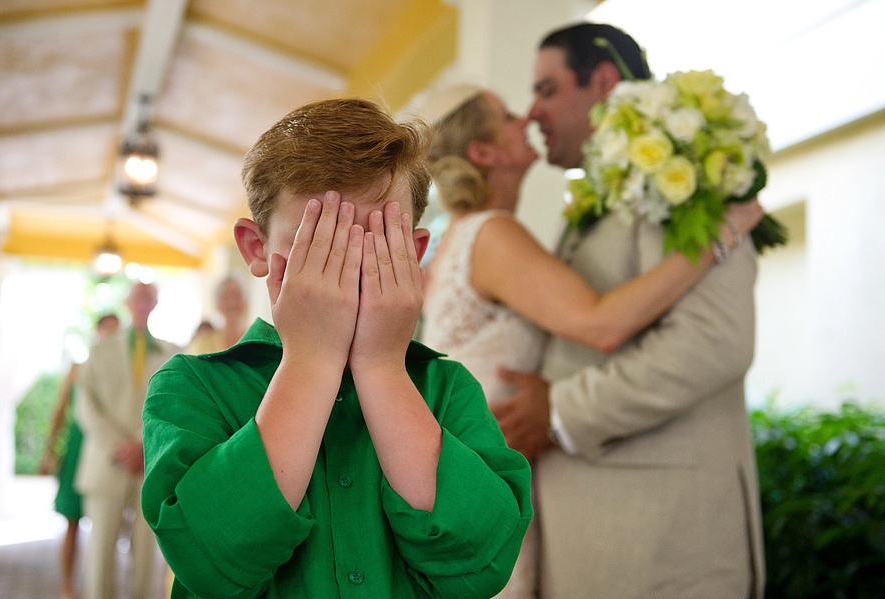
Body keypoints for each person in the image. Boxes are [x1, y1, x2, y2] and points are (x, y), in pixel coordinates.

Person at [141, 98, 533, 599]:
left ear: (412, 255)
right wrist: (310, 361)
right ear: (256, 248)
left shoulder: (447, 388)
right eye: (319, 244)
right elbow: (211, 565)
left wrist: (383, 366)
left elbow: (481, 561)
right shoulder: (190, 387)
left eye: (374, 241)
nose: (346, 269)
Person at [418, 84, 763, 599]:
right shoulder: (492, 235)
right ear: (484, 152)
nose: (528, 115)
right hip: (495, 477)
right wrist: (721, 237)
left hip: (487, 474)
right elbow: (602, 325)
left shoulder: (464, 237)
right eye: (511, 113)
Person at [75, 283, 179, 599]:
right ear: (128, 302)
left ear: (156, 303)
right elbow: (85, 407)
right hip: (106, 462)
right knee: (100, 554)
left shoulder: (173, 354)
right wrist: (121, 446)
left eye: (150, 297)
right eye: (139, 297)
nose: (143, 303)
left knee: (148, 559)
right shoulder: (100, 350)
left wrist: (143, 444)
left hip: (151, 464)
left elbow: (175, 406)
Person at [40, 313, 119, 599]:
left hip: (106, 451)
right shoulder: (79, 366)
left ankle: (97, 586)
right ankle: (67, 588)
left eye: (115, 330)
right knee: (72, 521)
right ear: (97, 333)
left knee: (105, 528)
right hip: (77, 447)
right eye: (106, 329)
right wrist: (49, 450)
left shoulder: (119, 369)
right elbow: (61, 409)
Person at [187, 276, 249, 354]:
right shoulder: (204, 342)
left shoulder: (256, 340)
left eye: (237, 295)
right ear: (217, 303)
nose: (232, 302)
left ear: (246, 301)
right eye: (226, 296)